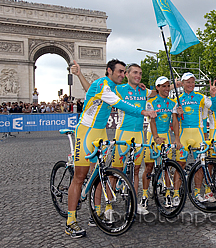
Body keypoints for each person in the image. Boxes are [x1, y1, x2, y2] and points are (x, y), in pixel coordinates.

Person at [65, 59, 157, 238]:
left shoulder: (113, 86)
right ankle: (70, 221)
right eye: (120, 72)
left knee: (100, 173)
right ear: (109, 71)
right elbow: (121, 104)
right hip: (86, 132)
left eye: (124, 72)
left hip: (101, 133)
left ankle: (97, 211)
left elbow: (88, 89)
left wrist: (79, 75)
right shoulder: (105, 86)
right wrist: (143, 112)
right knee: (79, 176)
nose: (123, 75)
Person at [111, 63, 155, 215]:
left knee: (136, 170)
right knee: (117, 170)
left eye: (140, 73)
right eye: (135, 72)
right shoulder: (119, 89)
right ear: (127, 74)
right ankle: (109, 206)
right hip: (123, 133)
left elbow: (157, 92)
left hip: (139, 134)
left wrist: (176, 84)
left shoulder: (144, 90)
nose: (138, 75)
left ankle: (134, 203)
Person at [144, 76, 183, 208]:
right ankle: (144, 194)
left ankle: (167, 194)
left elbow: (175, 122)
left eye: (168, 86)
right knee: (148, 167)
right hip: (152, 136)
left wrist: (176, 138)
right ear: (157, 88)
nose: (166, 88)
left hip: (165, 135)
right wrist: (155, 137)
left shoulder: (172, 102)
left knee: (166, 166)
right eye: (163, 86)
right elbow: (152, 121)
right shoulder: (151, 101)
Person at [178, 72, 214, 202]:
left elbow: (213, 107)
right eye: (187, 82)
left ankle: (198, 193)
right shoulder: (177, 98)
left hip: (198, 134)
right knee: (180, 164)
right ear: (182, 84)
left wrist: (213, 95)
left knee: (200, 165)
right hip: (184, 135)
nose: (190, 84)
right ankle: (176, 194)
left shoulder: (201, 97)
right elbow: (174, 120)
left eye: (192, 81)